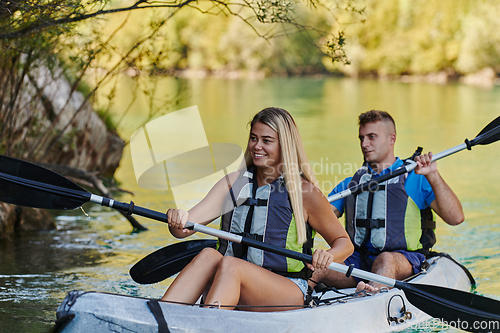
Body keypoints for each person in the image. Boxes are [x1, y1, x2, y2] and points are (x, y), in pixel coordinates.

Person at [162, 107, 354, 311]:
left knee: (231, 265)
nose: (257, 146)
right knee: (210, 255)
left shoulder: (304, 192)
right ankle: (161, 315)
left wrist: (329, 255)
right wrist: (177, 219)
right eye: (253, 138)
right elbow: (183, 230)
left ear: (284, 145)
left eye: (267, 140)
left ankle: (207, 323)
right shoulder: (233, 183)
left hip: (285, 289)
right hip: (231, 282)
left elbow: (344, 243)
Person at [311, 110, 464, 292]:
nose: (364, 144)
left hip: (402, 258)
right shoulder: (351, 184)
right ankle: (296, 301)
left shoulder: (416, 177)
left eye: (371, 137)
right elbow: (316, 219)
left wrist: (433, 175)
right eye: (361, 138)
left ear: (392, 139)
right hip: (358, 260)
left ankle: (370, 296)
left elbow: (456, 218)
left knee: (385, 259)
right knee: (315, 264)